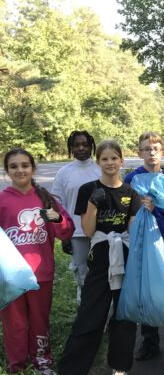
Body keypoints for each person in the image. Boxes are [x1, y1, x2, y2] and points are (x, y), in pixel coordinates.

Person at [50, 140, 143, 375]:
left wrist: (145, 212)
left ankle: (121, 367)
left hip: (123, 256)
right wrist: (93, 203)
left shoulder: (130, 193)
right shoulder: (88, 189)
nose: (110, 163)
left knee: (123, 315)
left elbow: (133, 231)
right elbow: (88, 230)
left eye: (115, 158)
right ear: (98, 161)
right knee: (90, 314)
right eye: (105, 159)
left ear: (122, 161)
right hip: (99, 256)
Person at [0, 148, 75, 375]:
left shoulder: (45, 198)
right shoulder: (3, 200)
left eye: (25, 165)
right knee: (15, 323)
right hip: (11, 277)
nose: (20, 170)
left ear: (33, 168)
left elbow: (67, 232)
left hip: (41, 273)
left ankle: (43, 361)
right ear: (7, 171)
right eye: (14, 166)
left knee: (39, 320)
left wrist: (58, 219)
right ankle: (18, 367)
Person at [124, 131, 164, 361]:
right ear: (139, 153)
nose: (151, 153)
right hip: (142, 239)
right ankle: (149, 340)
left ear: (162, 152)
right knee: (146, 288)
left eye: (155, 148)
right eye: (146, 149)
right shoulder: (131, 180)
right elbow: (126, 209)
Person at [51, 130, 100, 303]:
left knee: (102, 273)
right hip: (76, 233)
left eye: (85, 144)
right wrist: (63, 235)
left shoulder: (100, 169)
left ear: (91, 146)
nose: (81, 148)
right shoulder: (64, 173)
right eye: (76, 145)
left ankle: (105, 316)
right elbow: (58, 206)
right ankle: (85, 313)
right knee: (82, 274)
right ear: (71, 148)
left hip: (100, 231)